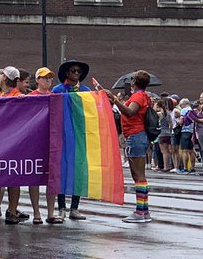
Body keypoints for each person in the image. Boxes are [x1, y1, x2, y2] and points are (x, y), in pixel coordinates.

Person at [98, 69, 151, 222]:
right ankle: (144, 211)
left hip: (135, 136)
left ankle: (140, 212)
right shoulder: (143, 95)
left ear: (134, 81)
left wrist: (115, 99)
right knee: (140, 177)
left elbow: (129, 112)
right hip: (138, 136)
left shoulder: (138, 96)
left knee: (138, 176)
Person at [51, 60, 92, 222]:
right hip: (61, 135)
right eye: (73, 71)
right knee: (61, 170)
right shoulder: (58, 90)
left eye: (78, 72)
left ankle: (74, 208)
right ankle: (61, 207)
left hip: (79, 136)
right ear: (67, 73)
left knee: (79, 170)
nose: (76, 74)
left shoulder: (86, 91)